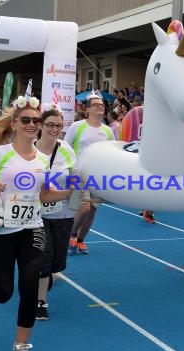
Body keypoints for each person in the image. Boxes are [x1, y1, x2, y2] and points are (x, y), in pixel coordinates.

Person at [0, 95, 72, 351]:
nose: (32, 124)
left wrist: (69, 192)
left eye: (36, 120)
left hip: (32, 228)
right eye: (26, 119)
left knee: (30, 286)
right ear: (14, 124)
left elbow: (44, 195)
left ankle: (21, 345)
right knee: (4, 293)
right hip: (0, 230)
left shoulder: (43, 159)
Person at [34, 108, 77, 320]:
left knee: (57, 263)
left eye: (58, 126)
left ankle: (45, 276)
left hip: (63, 213)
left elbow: (74, 177)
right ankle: (40, 301)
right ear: (40, 125)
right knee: (44, 256)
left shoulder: (66, 150)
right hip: (35, 215)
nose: (54, 129)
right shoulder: (29, 150)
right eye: (50, 124)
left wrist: (78, 201)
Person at [64, 93, 115, 255]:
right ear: (88, 109)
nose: (100, 107)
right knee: (84, 208)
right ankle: (69, 236)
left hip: (98, 177)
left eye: (102, 105)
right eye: (96, 105)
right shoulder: (77, 126)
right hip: (79, 173)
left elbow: (113, 153)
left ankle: (80, 241)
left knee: (92, 210)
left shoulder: (107, 131)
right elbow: (65, 148)